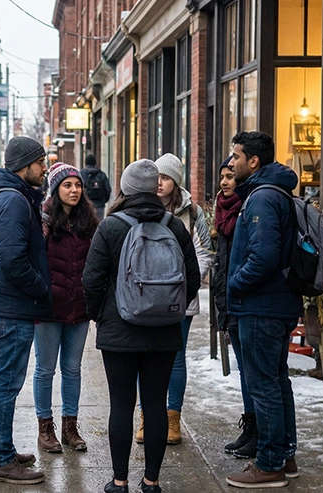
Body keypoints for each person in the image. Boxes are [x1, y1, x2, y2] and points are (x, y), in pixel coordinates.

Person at [83, 159, 200, 493]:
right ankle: (151, 481)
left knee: (121, 404)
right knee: (155, 404)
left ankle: (119, 482)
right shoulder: (174, 225)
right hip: (163, 331)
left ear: (126, 188)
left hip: (118, 330)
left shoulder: (111, 226)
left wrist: (99, 315)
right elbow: (191, 278)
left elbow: (91, 280)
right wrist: (169, 310)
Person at [224, 131, 303, 488]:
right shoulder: (274, 192)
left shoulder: (261, 198)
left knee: (264, 386)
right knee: (276, 381)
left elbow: (264, 256)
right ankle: (285, 457)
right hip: (275, 303)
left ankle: (269, 463)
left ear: (253, 161)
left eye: (236, 156)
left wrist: (234, 284)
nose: (231, 162)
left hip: (261, 307)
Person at [0, 136, 52, 485]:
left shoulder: (3, 195)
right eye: (40, 162)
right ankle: (2, 461)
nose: (44, 168)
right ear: (24, 165)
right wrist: (42, 289)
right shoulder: (14, 200)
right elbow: (13, 259)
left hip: (0, 301)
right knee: (5, 383)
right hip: (11, 305)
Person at [133, 153, 212, 445]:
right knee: (145, 356)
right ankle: (145, 418)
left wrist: (187, 279)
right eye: (157, 178)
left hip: (181, 297)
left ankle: (172, 419)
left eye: (165, 178)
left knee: (176, 358)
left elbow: (205, 250)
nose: (159, 183)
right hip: (145, 297)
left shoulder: (192, 212)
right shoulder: (140, 206)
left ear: (175, 182)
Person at [34, 162, 98, 455]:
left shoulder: (89, 221)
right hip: (49, 309)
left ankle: (70, 427)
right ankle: (45, 429)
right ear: (56, 189)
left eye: (78, 185)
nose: (74, 190)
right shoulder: (44, 219)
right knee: (45, 369)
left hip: (79, 307)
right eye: (67, 185)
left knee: (72, 369)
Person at [213, 158, 259, 459]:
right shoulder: (222, 210)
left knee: (253, 372)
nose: (225, 182)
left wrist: (234, 286)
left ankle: (258, 432)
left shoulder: (246, 209)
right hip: (229, 300)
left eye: (230, 176)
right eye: (222, 177)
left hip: (243, 299)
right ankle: (251, 427)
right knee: (244, 371)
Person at [79, 154, 112, 218]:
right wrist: (103, 201)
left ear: (85, 162)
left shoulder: (81, 174)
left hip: (84, 205)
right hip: (99, 206)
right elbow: (108, 190)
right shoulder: (102, 174)